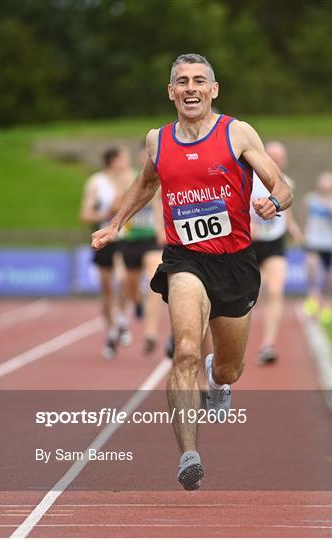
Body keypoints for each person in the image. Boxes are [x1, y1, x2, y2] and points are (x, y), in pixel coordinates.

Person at [91, 53, 293, 490]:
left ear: (213, 89)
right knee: (183, 351)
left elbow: (281, 184)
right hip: (184, 258)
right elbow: (146, 183)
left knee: (228, 370)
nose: (190, 88)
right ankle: (188, 453)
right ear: (171, 92)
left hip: (235, 261)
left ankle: (217, 379)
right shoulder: (157, 140)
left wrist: (272, 202)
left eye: (199, 80)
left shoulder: (236, 132)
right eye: (181, 81)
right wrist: (116, 223)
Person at [250, 141, 302, 364]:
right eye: (271, 156)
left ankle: (268, 344)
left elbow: (286, 211)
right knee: (245, 296)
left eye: (279, 157)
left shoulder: (287, 182)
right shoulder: (249, 180)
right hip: (249, 242)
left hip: (274, 243)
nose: (275, 160)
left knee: (275, 289)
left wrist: (294, 229)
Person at [80, 147, 133, 359]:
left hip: (127, 239)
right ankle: (111, 333)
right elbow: (85, 214)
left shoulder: (133, 179)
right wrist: (106, 213)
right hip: (104, 239)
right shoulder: (96, 182)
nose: (127, 162)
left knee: (124, 280)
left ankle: (121, 322)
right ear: (113, 161)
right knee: (107, 290)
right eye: (124, 159)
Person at [119, 142, 165, 354]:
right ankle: (137, 304)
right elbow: (118, 204)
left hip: (151, 240)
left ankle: (150, 332)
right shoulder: (129, 179)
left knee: (153, 281)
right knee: (131, 287)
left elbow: (160, 205)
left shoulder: (161, 178)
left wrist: (161, 229)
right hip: (129, 240)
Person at [302, 171, 332, 323]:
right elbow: (303, 217)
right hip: (313, 241)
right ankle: (313, 296)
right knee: (311, 264)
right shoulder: (310, 199)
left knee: (328, 277)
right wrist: (304, 233)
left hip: (329, 243)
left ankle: (328, 305)